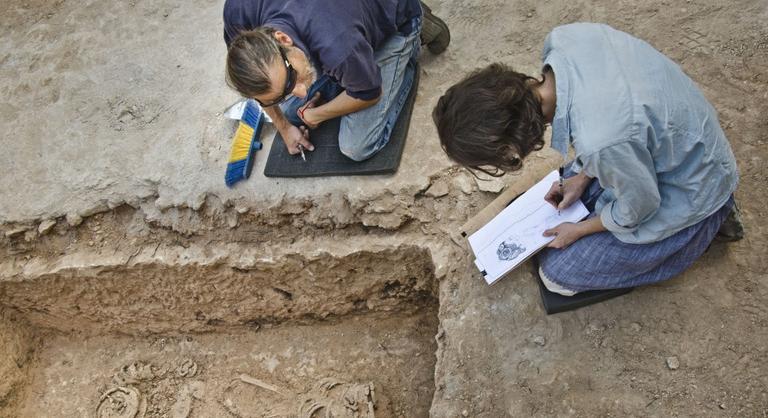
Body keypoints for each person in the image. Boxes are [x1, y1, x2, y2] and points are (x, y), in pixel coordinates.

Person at [432, 23, 743, 296]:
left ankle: (702, 230)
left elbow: (642, 206)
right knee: (572, 187)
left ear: (511, 140)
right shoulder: (563, 41)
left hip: (695, 185)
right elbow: (612, 131)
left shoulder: (601, 142)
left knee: (558, 273)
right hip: (667, 143)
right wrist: (581, 178)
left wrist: (579, 230)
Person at [223, 0, 450, 161]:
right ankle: (352, 69)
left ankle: (408, 45)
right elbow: (257, 91)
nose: (301, 91)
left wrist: (316, 114)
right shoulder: (239, 14)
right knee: (291, 112)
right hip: (345, 25)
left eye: (292, 80)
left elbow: (369, 94)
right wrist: (283, 127)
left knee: (357, 147)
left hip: (393, 22)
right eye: (286, 90)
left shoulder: (338, 45)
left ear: (283, 38)